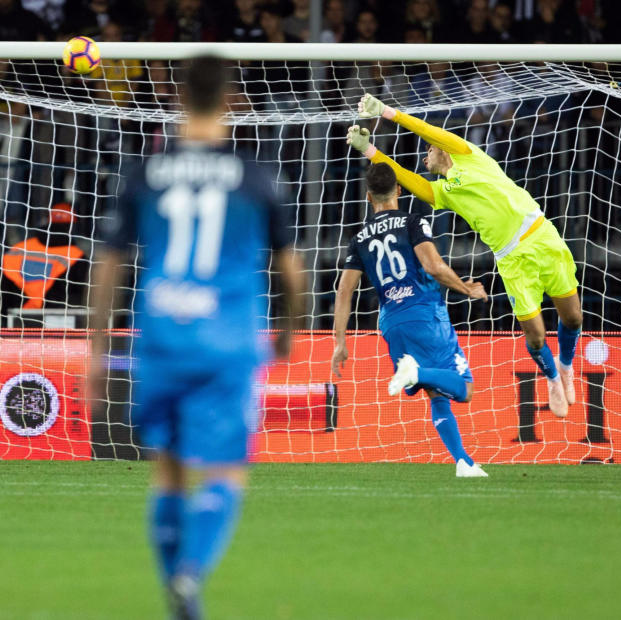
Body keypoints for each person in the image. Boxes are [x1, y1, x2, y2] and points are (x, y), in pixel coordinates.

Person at [89, 55, 304, 619]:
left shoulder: (143, 173)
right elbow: (291, 271)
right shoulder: (257, 175)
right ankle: (190, 574)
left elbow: (109, 263)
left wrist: (96, 348)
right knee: (227, 469)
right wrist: (287, 331)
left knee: (168, 470)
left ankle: (178, 592)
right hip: (228, 339)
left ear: (178, 96)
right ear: (230, 97)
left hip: (161, 335)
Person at [346, 93, 583, 418]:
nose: (425, 153)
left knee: (573, 318)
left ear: (441, 149)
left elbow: (429, 130)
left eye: (428, 149)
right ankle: (553, 379)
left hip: (542, 237)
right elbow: (404, 178)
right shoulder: (443, 192)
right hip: (512, 259)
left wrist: (388, 113)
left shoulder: (469, 155)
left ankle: (566, 366)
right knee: (537, 335)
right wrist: (370, 151)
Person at [331, 163, 489, 478]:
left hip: (391, 321)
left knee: (435, 391)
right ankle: (415, 373)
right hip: (424, 314)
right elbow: (433, 266)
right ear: (399, 191)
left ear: (368, 196)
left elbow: (344, 290)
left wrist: (339, 342)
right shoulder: (413, 222)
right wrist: (465, 288)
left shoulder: (360, 238)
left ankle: (463, 462)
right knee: (465, 389)